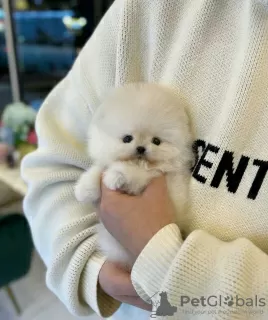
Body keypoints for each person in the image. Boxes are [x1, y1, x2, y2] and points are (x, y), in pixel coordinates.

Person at [21, 0, 268, 319]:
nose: (140, 148)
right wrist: (92, 265)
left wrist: (169, 265)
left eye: (153, 141)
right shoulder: (147, 10)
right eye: (129, 140)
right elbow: (57, 165)